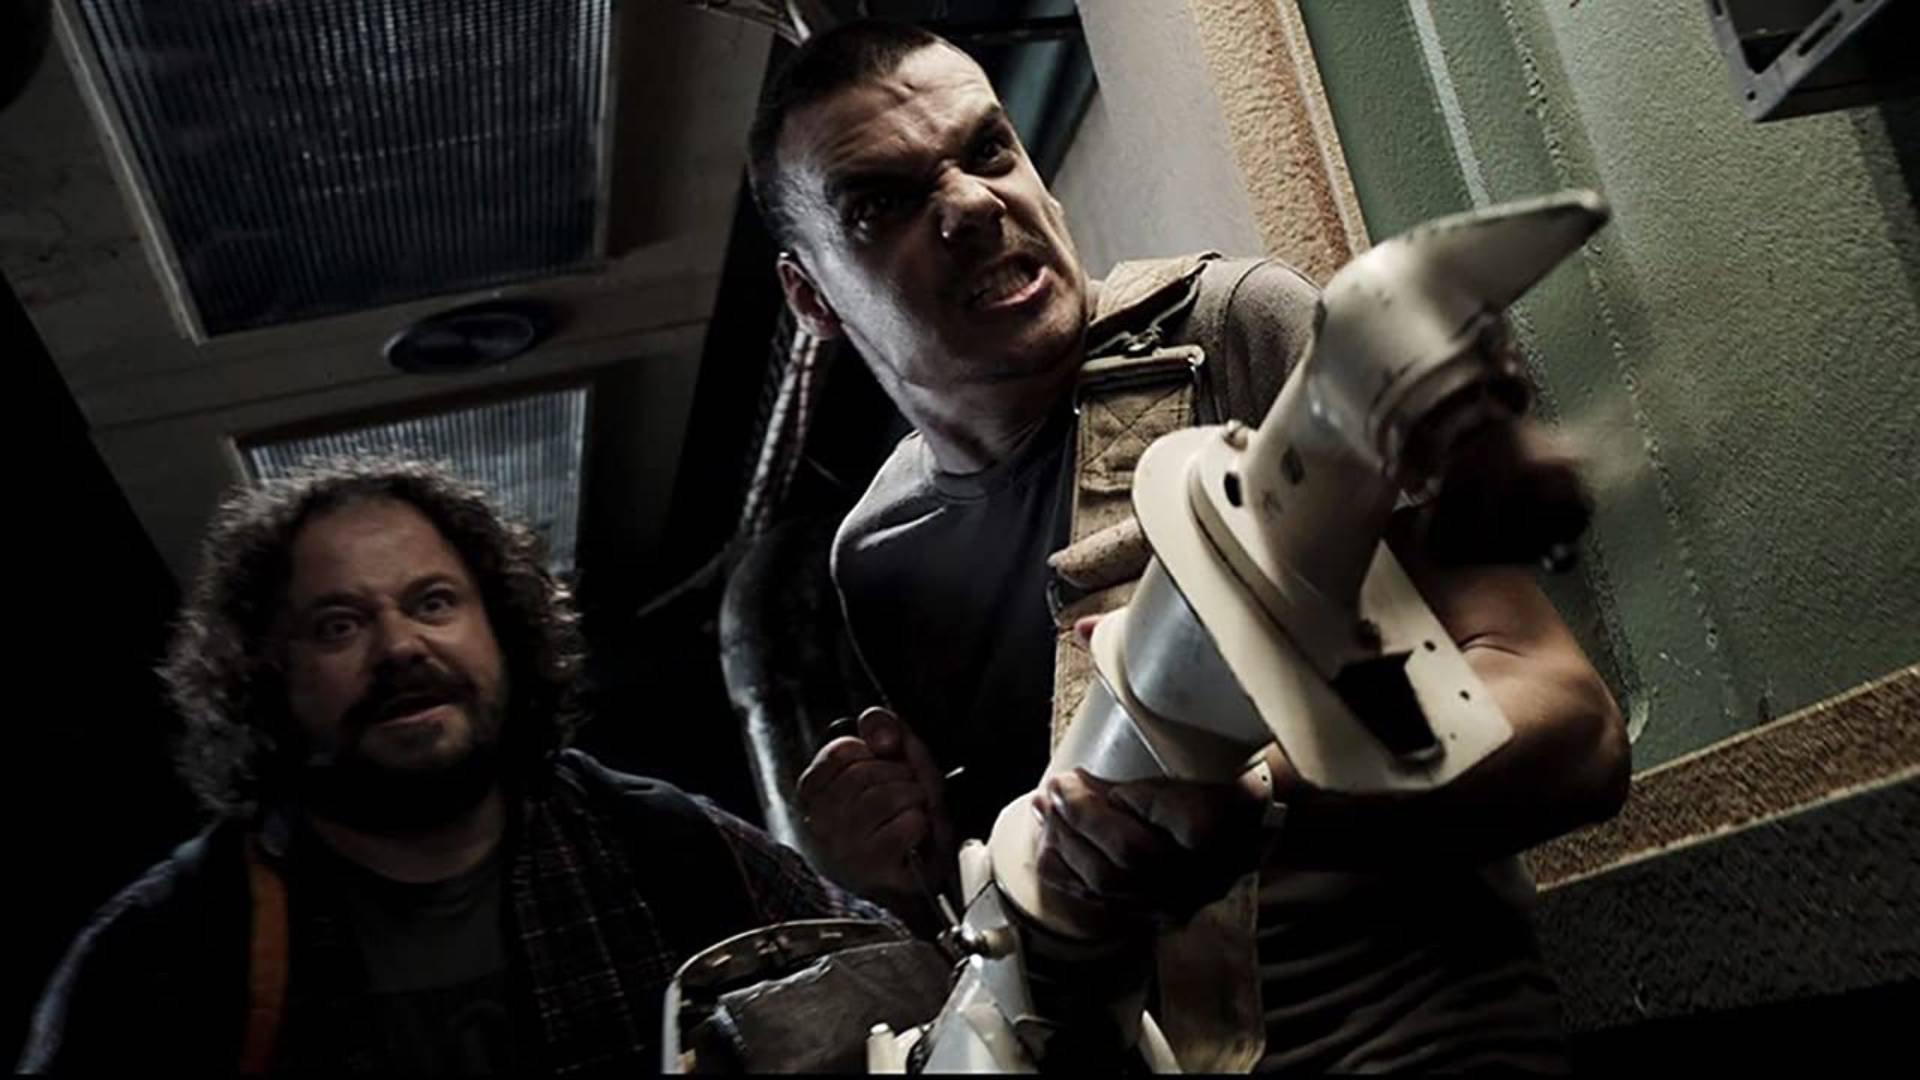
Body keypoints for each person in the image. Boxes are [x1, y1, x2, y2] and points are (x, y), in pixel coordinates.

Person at [749, 20, 1631, 1073]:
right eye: (881, 203)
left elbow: (1576, 733)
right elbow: (1043, 907)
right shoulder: (880, 558)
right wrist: (914, 870)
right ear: (810, 296)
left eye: (988, 149)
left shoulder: (1231, 332)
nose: (975, 204)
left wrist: (1265, 809)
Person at [19, 459, 898, 1074]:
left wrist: (897, 878)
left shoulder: (664, 846)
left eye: (433, 602)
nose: (400, 646)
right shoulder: (159, 959)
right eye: (338, 625)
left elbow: (906, 991)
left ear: (502, 632)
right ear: (266, 678)